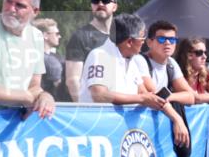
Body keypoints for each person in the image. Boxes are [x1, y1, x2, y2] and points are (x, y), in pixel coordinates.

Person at [79, 14, 189, 147]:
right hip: (95, 135)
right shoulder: (100, 55)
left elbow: (148, 94)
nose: (144, 42)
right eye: (142, 38)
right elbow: (99, 95)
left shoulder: (131, 59)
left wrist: (177, 119)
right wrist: (141, 99)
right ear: (130, 42)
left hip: (118, 134)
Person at [65, 0, 118, 102]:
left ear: (114, 7)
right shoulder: (80, 36)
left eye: (105, 1)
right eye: (95, 1)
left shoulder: (120, 37)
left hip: (117, 105)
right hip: (92, 109)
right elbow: (73, 80)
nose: (100, 4)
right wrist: (84, 109)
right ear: (91, 6)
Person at [143, 20, 195, 105]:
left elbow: (191, 97)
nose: (167, 43)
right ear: (149, 42)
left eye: (172, 39)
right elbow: (153, 95)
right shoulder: (140, 61)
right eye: (161, 39)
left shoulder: (171, 63)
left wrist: (169, 96)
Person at [33, 18, 64, 99]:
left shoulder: (29, 56)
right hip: (52, 104)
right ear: (45, 35)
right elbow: (59, 86)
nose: (59, 36)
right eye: (57, 33)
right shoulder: (50, 61)